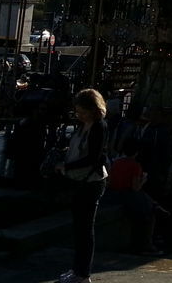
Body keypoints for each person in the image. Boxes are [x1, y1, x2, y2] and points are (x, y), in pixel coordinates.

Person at [56, 88, 109, 283]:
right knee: (79, 228)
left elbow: (93, 157)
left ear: (92, 109)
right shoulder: (83, 125)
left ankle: (83, 273)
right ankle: (77, 269)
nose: (79, 115)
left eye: (82, 111)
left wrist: (67, 165)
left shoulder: (98, 127)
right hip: (79, 179)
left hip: (90, 181)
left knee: (85, 228)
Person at [107, 136, 160, 255]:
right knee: (149, 213)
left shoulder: (116, 163)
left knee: (147, 201)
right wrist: (144, 179)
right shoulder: (135, 165)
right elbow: (136, 187)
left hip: (114, 194)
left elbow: (110, 181)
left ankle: (156, 206)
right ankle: (147, 244)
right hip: (128, 196)